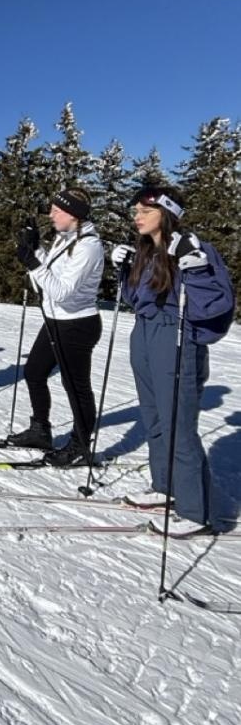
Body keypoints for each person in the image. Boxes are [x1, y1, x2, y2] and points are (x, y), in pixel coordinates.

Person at [112, 185, 235, 534]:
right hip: (145, 335)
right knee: (153, 417)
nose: (136, 217)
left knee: (178, 424)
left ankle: (196, 512)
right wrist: (123, 271)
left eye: (144, 211)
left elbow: (215, 305)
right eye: (135, 210)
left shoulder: (194, 250)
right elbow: (137, 299)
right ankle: (165, 488)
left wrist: (194, 271)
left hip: (176, 338)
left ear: (166, 214)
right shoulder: (147, 252)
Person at [9, 187, 104, 467]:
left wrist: (33, 263)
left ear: (74, 214)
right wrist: (34, 248)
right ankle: (40, 431)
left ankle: (80, 445)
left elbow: (62, 292)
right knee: (34, 372)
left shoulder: (88, 246)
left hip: (77, 324)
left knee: (75, 387)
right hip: (55, 320)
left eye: (57, 210)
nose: (51, 214)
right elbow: (46, 279)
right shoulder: (65, 239)